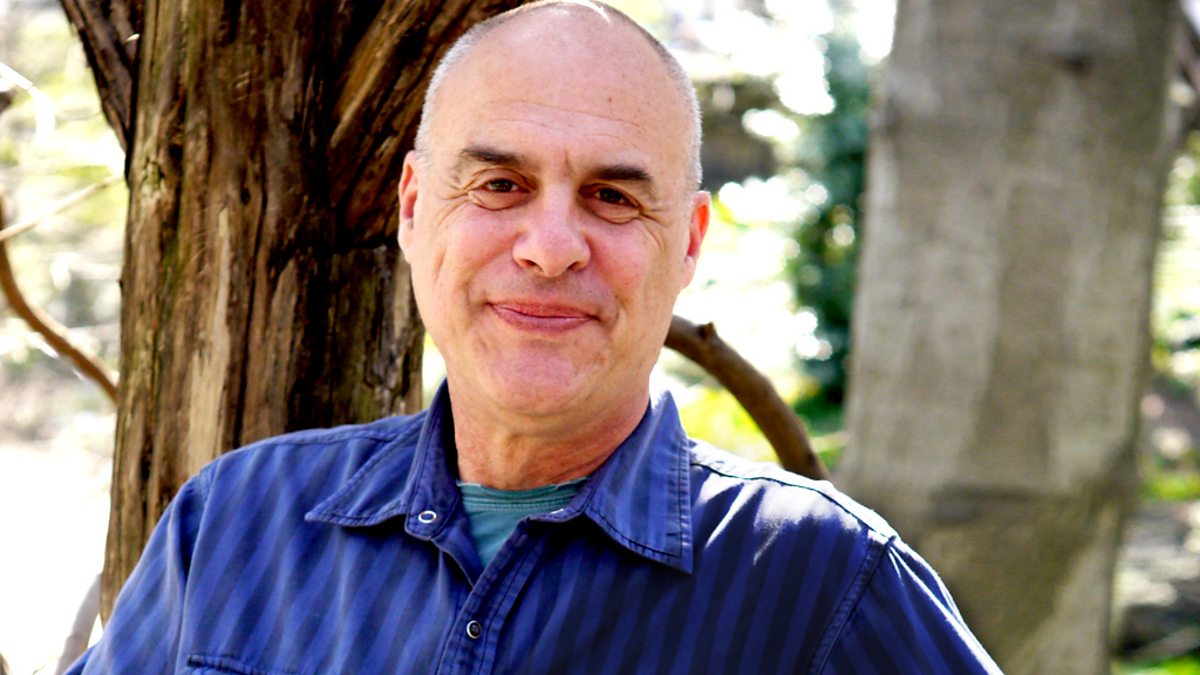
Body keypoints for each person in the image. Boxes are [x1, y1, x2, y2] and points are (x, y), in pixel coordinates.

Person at [69, 2, 1001, 673]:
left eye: (612, 196)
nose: (551, 247)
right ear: (414, 207)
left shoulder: (824, 581)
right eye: (500, 186)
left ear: (687, 244)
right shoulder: (234, 524)